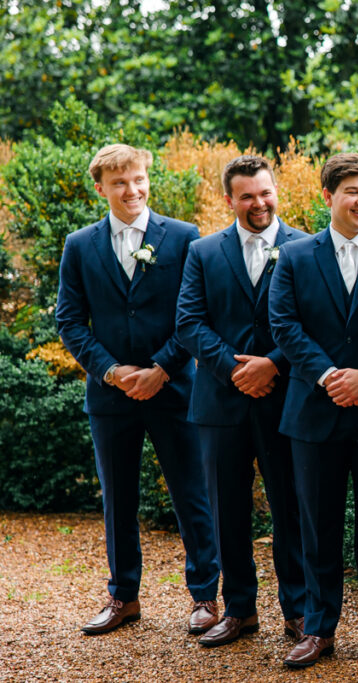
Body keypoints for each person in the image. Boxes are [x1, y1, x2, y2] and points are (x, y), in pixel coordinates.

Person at [55, 143, 219, 636]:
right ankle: (123, 597)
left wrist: (161, 370)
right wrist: (111, 372)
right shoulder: (80, 245)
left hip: (174, 390)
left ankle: (206, 598)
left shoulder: (185, 238)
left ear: (149, 179)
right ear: (101, 186)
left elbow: (194, 316)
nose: (132, 190)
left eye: (139, 179)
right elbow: (69, 321)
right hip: (110, 396)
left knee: (192, 494)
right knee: (118, 499)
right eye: (121, 182)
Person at [268, 153, 358, 669]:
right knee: (317, 524)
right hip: (315, 410)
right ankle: (318, 627)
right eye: (353, 191)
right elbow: (284, 325)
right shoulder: (294, 255)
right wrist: (330, 376)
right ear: (328, 196)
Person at [175, 155, 307, 647]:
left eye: (266, 192)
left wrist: (272, 363)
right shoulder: (203, 252)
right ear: (229, 199)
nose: (259, 203)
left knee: (290, 507)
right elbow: (188, 322)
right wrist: (236, 371)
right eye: (247, 195)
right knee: (226, 508)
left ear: (277, 192)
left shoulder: (304, 247)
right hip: (219, 403)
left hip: (284, 399)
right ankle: (239, 610)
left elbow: (310, 322)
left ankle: (298, 611)